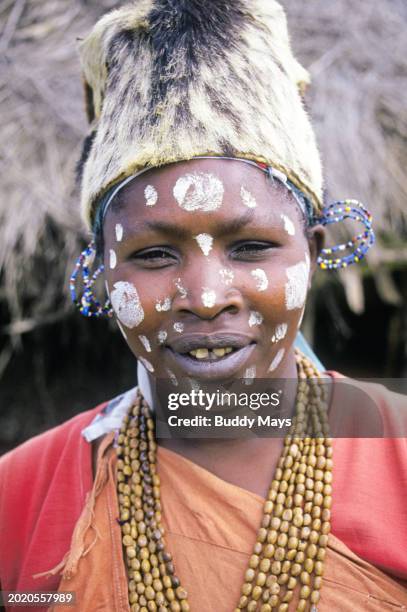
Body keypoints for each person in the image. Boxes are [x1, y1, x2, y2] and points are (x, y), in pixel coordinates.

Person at [0, 1, 406, 611]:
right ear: (103, 272)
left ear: (313, 251)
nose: (209, 297)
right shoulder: (20, 497)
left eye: (251, 247)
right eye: (156, 255)